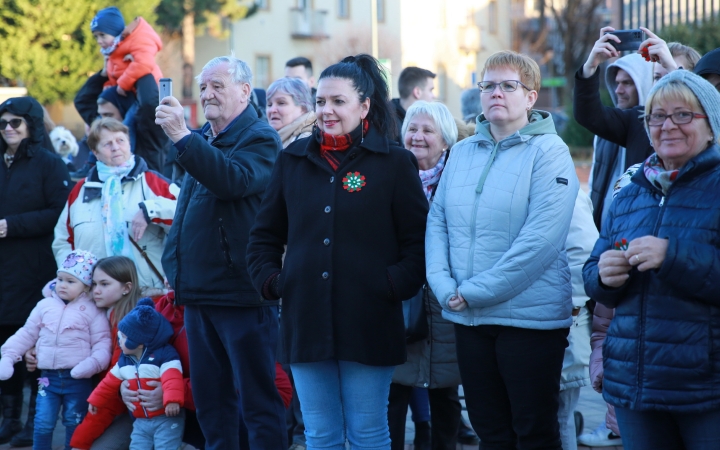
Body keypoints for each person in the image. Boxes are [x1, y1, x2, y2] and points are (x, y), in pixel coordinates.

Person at [246, 53, 428, 449]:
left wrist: (391, 285)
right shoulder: (292, 161)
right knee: (320, 434)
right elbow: (263, 236)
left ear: (364, 106)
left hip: (370, 319)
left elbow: (418, 243)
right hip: (305, 317)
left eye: (338, 102)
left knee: (368, 432)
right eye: (321, 102)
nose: (326, 111)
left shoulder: (395, 163)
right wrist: (274, 282)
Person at [425, 50, 579, 448]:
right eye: (488, 85)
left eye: (508, 85)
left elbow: (541, 240)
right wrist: (442, 285)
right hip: (468, 316)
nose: (496, 93)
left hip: (527, 319)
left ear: (530, 97)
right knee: (489, 428)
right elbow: (437, 220)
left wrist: (474, 291)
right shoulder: (460, 152)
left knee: (532, 430)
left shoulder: (550, 153)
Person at [583, 69, 720, 449]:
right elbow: (593, 275)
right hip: (635, 384)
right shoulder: (628, 194)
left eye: (683, 115)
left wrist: (671, 256)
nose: (667, 126)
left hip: (705, 387)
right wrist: (603, 275)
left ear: (711, 126)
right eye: (657, 117)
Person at [155, 55, 286, 449]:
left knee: (257, 401)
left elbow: (233, 181)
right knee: (212, 403)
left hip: (241, 294)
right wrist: (174, 266)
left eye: (218, 86)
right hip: (198, 293)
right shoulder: (205, 138)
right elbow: (189, 215)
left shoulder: (260, 138)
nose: (207, 94)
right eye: (203, 87)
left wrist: (183, 136)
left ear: (245, 91)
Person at [387, 100, 462, 450]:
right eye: (412, 129)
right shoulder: (390, 176)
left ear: (445, 140)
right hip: (401, 298)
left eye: (427, 130)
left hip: (447, 300)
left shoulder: (460, 179)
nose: (417, 137)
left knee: (445, 393)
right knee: (394, 393)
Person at [0, 97, 71, 445]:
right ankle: (9, 419)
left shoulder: (49, 164)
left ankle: (34, 424)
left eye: (16, 123)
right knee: (4, 347)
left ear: (31, 124)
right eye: (3, 124)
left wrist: (11, 225)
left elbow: (59, 212)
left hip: (34, 269)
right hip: (3, 272)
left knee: (35, 349)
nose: (9, 129)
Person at [0, 250, 111, 450]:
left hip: (77, 379)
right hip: (47, 378)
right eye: (60, 279)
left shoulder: (93, 311)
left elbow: (102, 344)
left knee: (74, 422)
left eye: (70, 281)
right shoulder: (44, 305)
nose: (62, 285)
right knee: (42, 423)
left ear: (86, 286)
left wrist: (90, 365)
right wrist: (8, 355)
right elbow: (27, 333)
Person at [52, 118, 178, 292]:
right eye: (107, 144)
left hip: (147, 294)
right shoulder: (80, 190)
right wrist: (73, 278)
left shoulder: (153, 182)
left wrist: (151, 210)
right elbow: (63, 239)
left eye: (120, 140)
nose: (115, 147)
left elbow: (186, 216)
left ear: (129, 143)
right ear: (95, 152)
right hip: (93, 298)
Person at [88, 298, 184, 450]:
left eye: (124, 337)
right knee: (137, 446)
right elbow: (108, 383)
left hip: (166, 417)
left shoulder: (164, 355)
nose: (119, 340)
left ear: (139, 343)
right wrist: (96, 401)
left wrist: (172, 399)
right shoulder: (125, 361)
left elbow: (172, 378)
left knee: (166, 446)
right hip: (140, 420)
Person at [558, 191, 597, 450]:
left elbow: (584, 255)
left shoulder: (561, 185)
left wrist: (570, 311)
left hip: (560, 321)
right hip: (519, 321)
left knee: (558, 414)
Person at [90, 6, 163, 96]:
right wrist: (109, 85)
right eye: (96, 36)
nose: (99, 41)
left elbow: (144, 63)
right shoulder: (112, 52)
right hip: (132, 93)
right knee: (104, 100)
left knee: (105, 100)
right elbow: (117, 74)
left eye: (102, 35)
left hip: (151, 94)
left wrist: (122, 85)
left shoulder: (134, 41)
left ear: (115, 32)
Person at [266, 77, 316, 148]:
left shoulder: (305, 141)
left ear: (303, 108)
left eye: (281, 103)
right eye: (269, 104)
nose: (272, 110)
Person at [391, 67, 436, 141]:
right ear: (417, 92)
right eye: (430, 90)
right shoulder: (390, 125)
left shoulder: (389, 117)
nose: (433, 96)